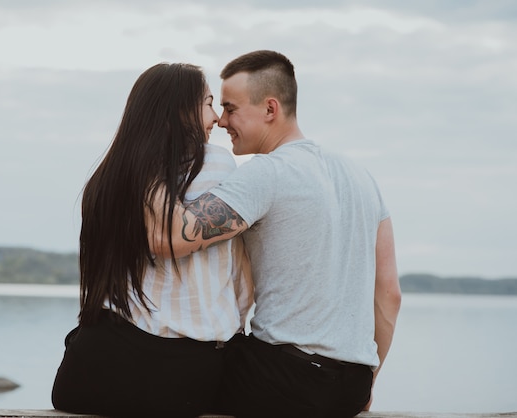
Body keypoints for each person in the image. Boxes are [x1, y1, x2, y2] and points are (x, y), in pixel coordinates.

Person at [149, 50, 402, 418]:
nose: (221, 121)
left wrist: (145, 163)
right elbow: (389, 294)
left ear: (270, 109)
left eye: (231, 108)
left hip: (281, 379)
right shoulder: (361, 178)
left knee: (172, 373)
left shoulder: (266, 173)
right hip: (353, 384)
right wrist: (368, 381)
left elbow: (168, 238)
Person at [51, 63, 253, 418]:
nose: (217, 120)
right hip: (176, 372)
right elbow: (239, 287)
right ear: (180, 110)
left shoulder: (107, 178)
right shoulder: (213, 163)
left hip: (92, 365)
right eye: (208, 104)